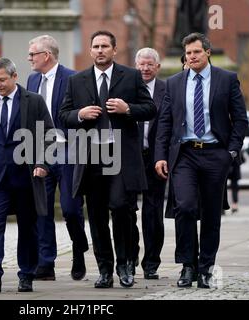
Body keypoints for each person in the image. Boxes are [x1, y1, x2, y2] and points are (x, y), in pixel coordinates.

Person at [59, 30, 156, 289]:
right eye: (96, 46)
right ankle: (104, 269)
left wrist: (128, 109)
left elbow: (151, 109)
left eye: (105, 46)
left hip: (121, 155)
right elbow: (63, 115)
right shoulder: (77, 81)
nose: (100, 50)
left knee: (121, 208)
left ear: (114, 50)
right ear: (90, 51)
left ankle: (125, 265)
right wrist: (79, 114)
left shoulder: (132, 76)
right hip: (91, 157)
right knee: (98, 214)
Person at [155, 32, 248, 289]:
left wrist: (230, 152)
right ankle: (188, 266)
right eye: (188, 53)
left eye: (196, 51)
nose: (192, 56)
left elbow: (239, 119)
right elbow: (165, 123)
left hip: (215, 153)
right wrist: (160, 156)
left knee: (210, 214)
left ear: (207, 52)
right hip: (184, 154)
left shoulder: (226, 79)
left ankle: (206, 267)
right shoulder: (173, 82)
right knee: (184, 207)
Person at [0, 57, 53, 293]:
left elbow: (49, 134)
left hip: (25, 177)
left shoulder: (33, 101)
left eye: (2, 80)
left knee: (28, 227)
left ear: (14, 77)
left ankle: (26, 274)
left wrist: (42, 163)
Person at [26, 35, 88, 281]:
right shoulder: (32, 80)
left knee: (72, 210)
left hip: (70, 152)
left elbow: (82, 116)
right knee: (42, 209)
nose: (29, 58)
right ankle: (46, 263)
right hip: (42, 154)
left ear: (46, 56)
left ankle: (79, 250)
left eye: (33, 54)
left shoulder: (74, 78)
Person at [133, 47, 166, 280]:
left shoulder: (167, 90)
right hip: (130, 158)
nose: (145, 68)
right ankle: (130, 254)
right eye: (142, 64)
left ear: (157, 67)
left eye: (149, 64)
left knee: (153, 212)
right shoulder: (127, 87)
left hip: (156, 158)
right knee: (125, 209)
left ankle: (151, 262)